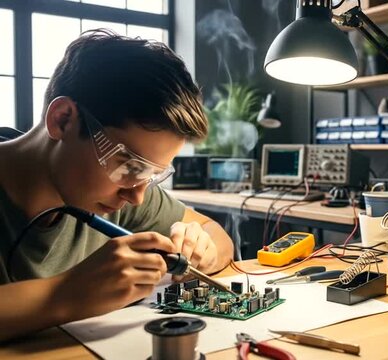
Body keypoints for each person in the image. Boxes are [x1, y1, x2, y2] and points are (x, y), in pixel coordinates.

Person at [0, 30, 233, 341]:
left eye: (150, 175)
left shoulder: (124, 191)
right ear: (63, 120)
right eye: (129, 166)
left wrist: (203, 250)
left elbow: (218, 235)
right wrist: (64, 295)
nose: (137, 196)